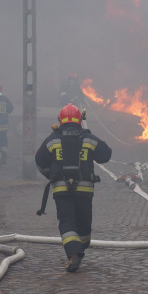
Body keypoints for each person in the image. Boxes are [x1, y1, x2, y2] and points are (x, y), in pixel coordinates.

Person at [35, 103, 112, 272]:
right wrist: (88, 134)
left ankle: (74, 253)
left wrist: (52, 176)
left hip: (61, 190)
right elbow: (106, 155)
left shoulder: (52, 139)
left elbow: (40, 161)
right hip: (85, 190)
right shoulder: (88, 138)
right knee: (84, 224)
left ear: (60, 120)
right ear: (80, 120)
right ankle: (78, 251)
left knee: (67, 221)